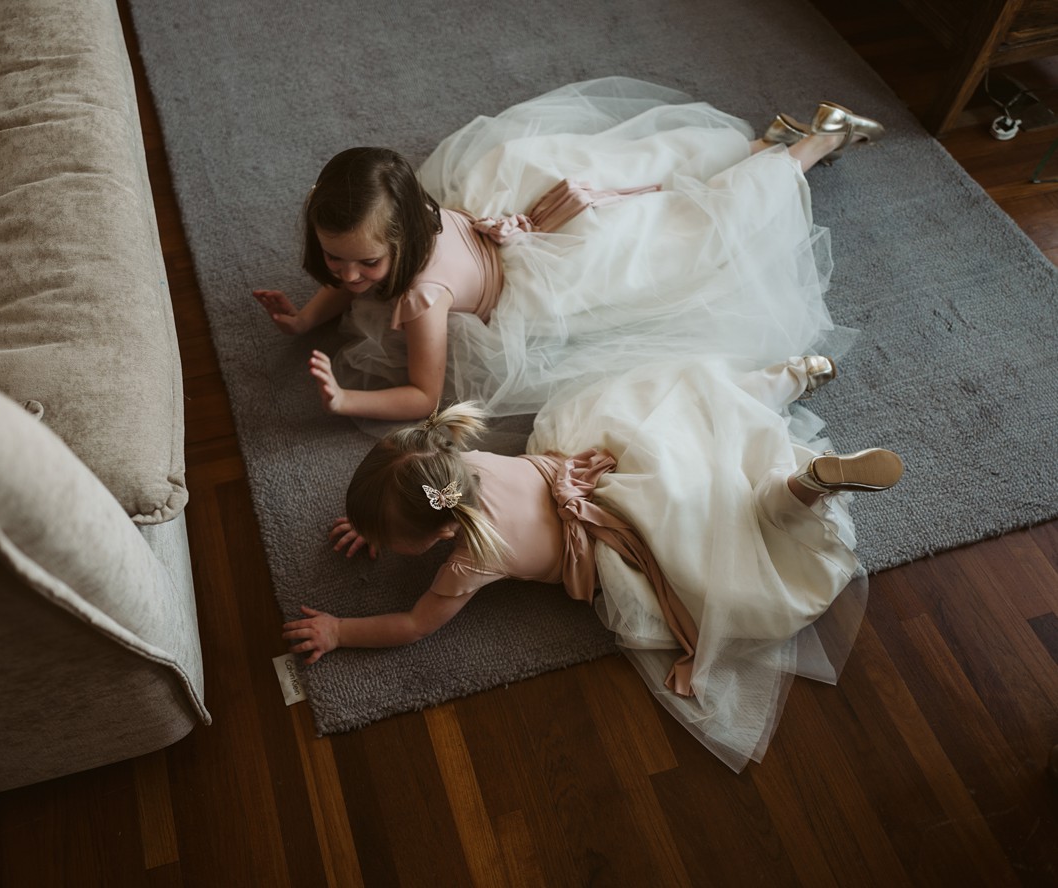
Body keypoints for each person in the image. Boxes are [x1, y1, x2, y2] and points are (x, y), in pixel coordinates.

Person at [280, 355, 904, 771]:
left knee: (733, 569)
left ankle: (799, 491)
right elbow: (412, 496)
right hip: (607, 469)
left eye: (392, 540)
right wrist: (381, 524)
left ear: (445, 531)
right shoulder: (450, 467)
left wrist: (342, 631)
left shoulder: (470, 562)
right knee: (696, 442)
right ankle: (788, 385)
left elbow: (415, 625)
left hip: (619, 541)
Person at [253, 77, 885, 421]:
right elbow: (355, 271)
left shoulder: (425, 300)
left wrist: (347, 400)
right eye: (336, 261)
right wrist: (308, 315)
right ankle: (755, 149)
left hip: (550, 275)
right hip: (518, 212)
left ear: (401, 238)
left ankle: (809, 147)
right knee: (640, 179)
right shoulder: (408, 207)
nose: (351, 277)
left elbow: (423, 396)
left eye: (367, 263)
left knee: (687, 243)